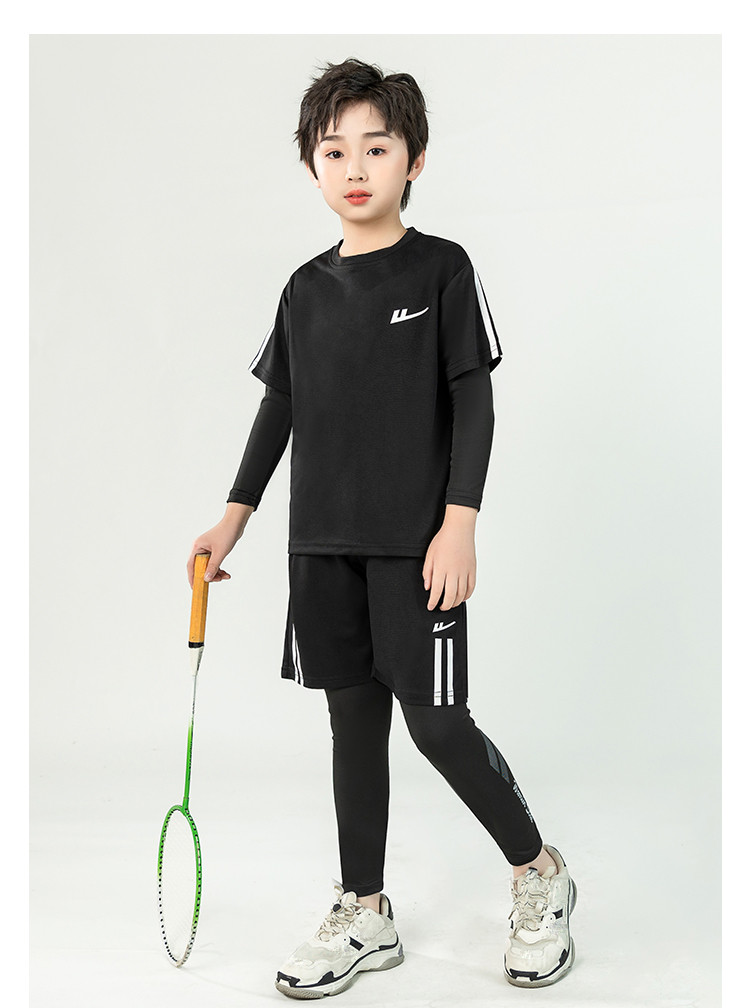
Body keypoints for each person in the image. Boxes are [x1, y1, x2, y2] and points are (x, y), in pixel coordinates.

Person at [187, 57, 577, 999]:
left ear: (415, 160)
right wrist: (231, 520)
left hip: (417, 548)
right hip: (321, 548)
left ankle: (539, 872)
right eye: (335, 151)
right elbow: (280, 409)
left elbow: (473, 401)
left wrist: (460, 523)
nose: (355, 167)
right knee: (352, 727)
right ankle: (365, 911)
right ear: (312, 167)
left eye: (377, 147)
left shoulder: (443, 269)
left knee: (436, 724)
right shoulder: (303, 289)